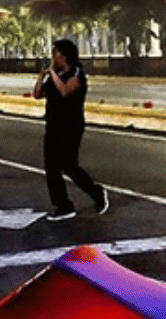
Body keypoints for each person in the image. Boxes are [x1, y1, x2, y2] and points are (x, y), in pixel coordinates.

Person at [33, 38, 109, 220]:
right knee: (51, 168)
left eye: (55, 54)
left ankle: (97, 192)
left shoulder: (77, 74)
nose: (52, 58)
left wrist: (52, 73)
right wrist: (41, 77)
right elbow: (37, 95)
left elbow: (66, 91)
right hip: (52, 125)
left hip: (70, 126)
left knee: (69, 166)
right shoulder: (54, 76)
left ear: (64, 56)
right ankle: (63, 205)